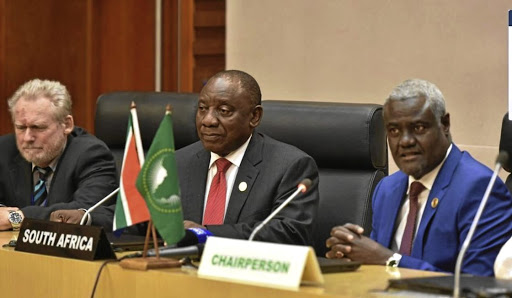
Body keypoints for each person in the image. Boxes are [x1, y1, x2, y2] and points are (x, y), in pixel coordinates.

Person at [325, 79, 512, 276]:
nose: (405, 141)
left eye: (419, 128)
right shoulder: (387, 189)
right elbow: (375, 266)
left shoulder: (480, 189)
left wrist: (389, 260)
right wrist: (351, 252)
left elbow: (477, 284)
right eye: (394, 130)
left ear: (445, 124)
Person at [176, 70, 319, 245]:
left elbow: (289, 232)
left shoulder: (289, 166)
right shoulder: (178, 162)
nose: (208, 120)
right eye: (202, 109)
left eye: (224, 110)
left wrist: (204, 234)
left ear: (254, 116)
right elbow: (145, 225)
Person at [0, 79, 118, 231]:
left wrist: (15, 218)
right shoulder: (4, 149)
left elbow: (82, 213)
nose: (27, 138)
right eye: (21, 127)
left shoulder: (92, 155)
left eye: (38, 127)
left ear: (67, 125)